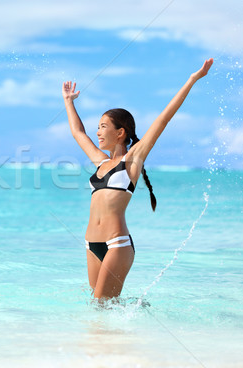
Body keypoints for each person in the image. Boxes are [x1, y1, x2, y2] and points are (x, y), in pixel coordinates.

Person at [62, 58, 213, 300]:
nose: (97, 132)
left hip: (117, 244)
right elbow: (78, 132)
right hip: (92, 245)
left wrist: (192, 80)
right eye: (97, 127)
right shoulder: (100, 162)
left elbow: (163, 120)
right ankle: (134, 325)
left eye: (102, 127)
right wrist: (68, 102)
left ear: (120, 132)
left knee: (101, 306)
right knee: (99, 308)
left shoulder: (131, 161)